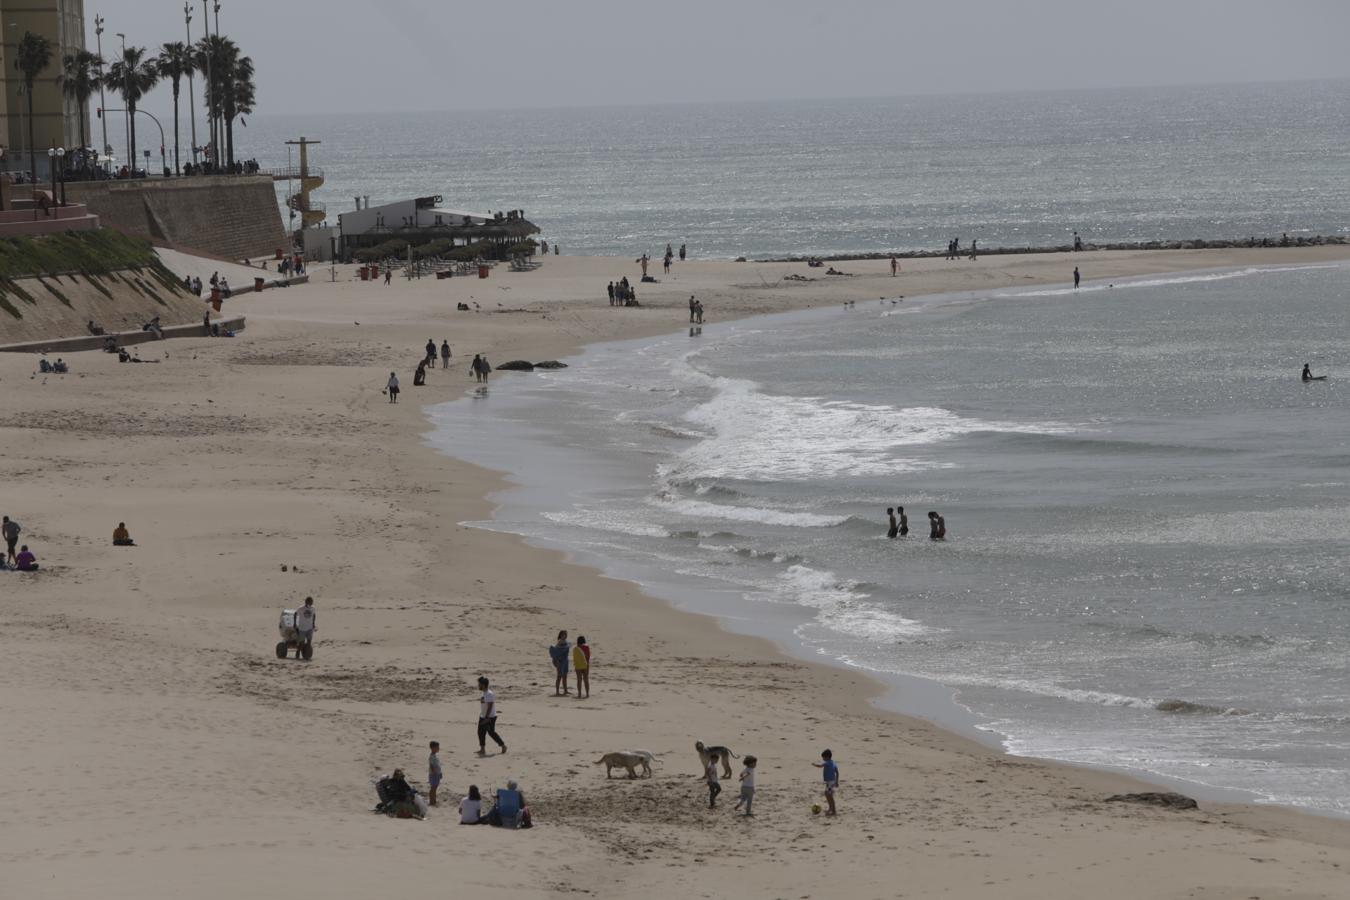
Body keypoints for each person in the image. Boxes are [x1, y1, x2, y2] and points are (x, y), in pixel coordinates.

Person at [477, 675, 507, 756]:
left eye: (479, 684)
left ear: (483, 685)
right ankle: (482, 749)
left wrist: (487, 717)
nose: (478, 685)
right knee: (480, 732)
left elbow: (490, 706)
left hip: (490, 717)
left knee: (491, 733)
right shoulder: (484, 693)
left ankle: (503, 745)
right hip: (483, 715)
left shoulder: (489, 694)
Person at [813, 749, 838, 816]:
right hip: (831, 782)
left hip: (830, 782)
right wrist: (837, 781)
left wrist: (814, 764)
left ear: (827, 757)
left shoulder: (827, 763)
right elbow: (837, 772)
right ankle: (831, 809)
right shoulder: (833, 762)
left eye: (823, 757)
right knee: (827, 794)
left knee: (829, 796)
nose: (823, 759)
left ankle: (834, 811)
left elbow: (820, 766)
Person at [550, 630, 571, 696]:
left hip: (565, 661)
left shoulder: (566, 642)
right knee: (559, 676)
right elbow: (557, 652)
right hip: (560, 661)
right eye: (563, 634)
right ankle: (557, 692)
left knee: (565, 676)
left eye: (566, 634)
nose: (565, 635)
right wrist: (556, 661)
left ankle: (565, 690)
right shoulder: (560, 642)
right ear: (560, 635)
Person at [428, 741, 443, 807]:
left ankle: (434, 800)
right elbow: (431, 765)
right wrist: (434, 772)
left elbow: (438, 765)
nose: (438, 748)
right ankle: (431, 801)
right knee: (433, 788)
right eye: (437, 747)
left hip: (436, 774)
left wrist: (440, 773)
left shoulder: (435, 756)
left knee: (435, 788)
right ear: (433, 748)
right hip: (433, 774)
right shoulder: (431, 756)